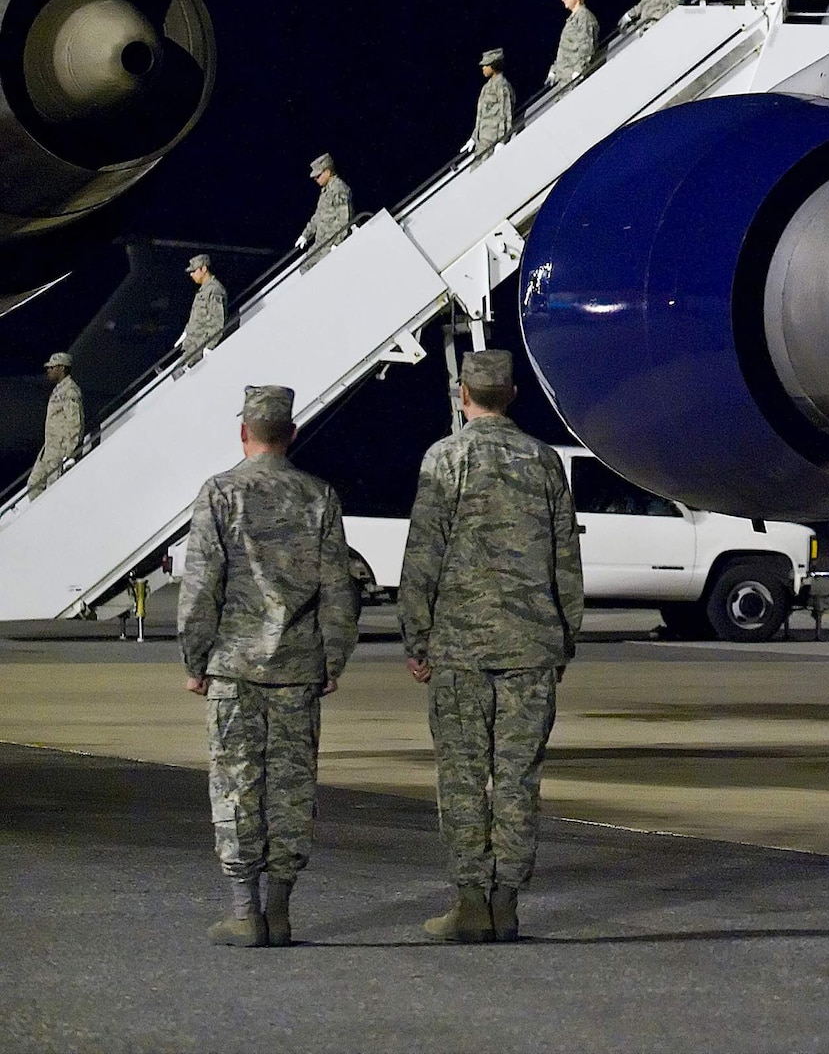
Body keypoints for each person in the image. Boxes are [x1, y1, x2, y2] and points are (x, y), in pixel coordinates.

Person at [400, 348, 583, 945]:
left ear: (464, 395)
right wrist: (564, 637)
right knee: (517, 778)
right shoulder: (545, 462)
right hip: (531, 648)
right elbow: (566, 560)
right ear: (513, 396)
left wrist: (416, 635)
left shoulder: (445, 459)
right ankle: (506, 900)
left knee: (461, 776)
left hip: (460, 649)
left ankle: (470, 899)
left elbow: (424, 554)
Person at [177, 385, 358, 948]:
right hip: (299, 668)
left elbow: (201, 585)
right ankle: (279, 910)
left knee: (235, 786)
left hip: (234, 666)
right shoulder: (317, 495)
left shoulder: (220, 493)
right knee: (291, 788)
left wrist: (195, 659)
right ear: (292, 435)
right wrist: (333, 657)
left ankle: (243, 911)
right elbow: (338, 588)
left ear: (243, 433)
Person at [26, 352, 85, 498]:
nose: (49, 370)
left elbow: (74, 421)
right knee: (34, 485)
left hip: (60, 450)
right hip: (49, 450)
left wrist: (70, 453)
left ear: (62, 368)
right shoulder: (58, 390)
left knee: (54, 490)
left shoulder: (70, 391)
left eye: (52, 367)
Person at [296, 155, 352, 265]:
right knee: (305, 265)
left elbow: (344, 217)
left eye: (318, 176)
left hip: (331, 241)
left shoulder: (338, 188)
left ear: (327, 172)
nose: (316, 180)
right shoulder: (325, 191)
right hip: (322, 242)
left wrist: (337, 243)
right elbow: (318, 216)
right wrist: (305, 235)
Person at [176, 254, 229, 368]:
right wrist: (186, 332)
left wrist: (210, 346)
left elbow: (217, 321)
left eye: (194, 271)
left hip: (199, 347)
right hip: (192, 345)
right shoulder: (203, 291)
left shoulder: (214, 290)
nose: (191, 274)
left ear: (203, 269)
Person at [545, 0, 600, 87]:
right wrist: (554, 70)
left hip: (573, 81)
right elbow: (565, 50)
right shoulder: (572, 20)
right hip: (564, 81)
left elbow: (586, 47)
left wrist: (578, 72)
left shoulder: (584, 17)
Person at [467, 49, 515, 159]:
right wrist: (474, 136)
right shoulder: (486, 87)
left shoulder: (502, 86)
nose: (483, 68)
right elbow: (481, 115)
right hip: (482, 141)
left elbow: (506, 114)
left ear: (494, 65)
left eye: (486, 65)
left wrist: (502, 140)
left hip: (492, 140)